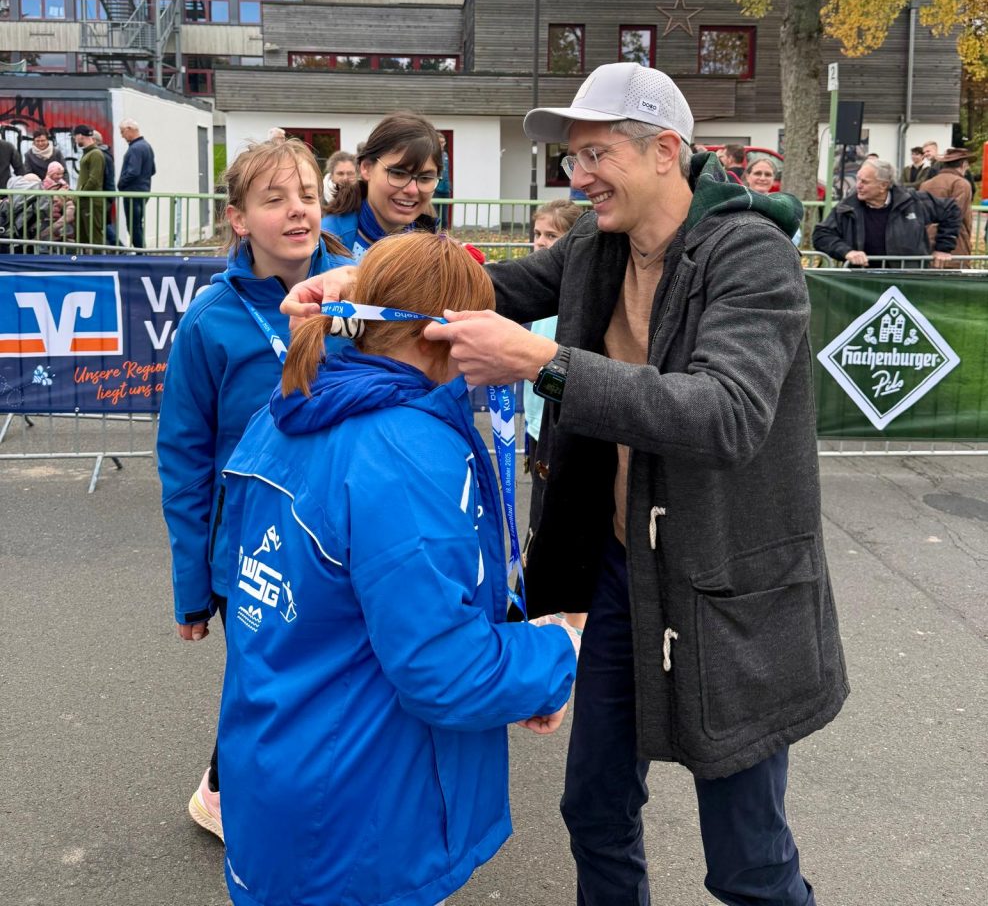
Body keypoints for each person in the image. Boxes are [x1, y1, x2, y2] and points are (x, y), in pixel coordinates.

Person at [286, 62, 850, 906]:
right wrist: (361, 284)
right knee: (593, 809)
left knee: (749, 860)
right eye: (573, 158)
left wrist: (546, 366)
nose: (575, 177)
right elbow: (493, 290)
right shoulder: (596, 247)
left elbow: (726, 414)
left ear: (665, 150)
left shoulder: (753, 258)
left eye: (594, 154)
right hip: (625, 578)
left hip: (729, 595)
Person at [218, 231, 577, 906]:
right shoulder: (405, 450)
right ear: (450, 333)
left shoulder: (292, 404)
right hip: (362, 804)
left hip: (272, 757)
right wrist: (556, 653)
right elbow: (446, 672)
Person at [157, 138, 353, 843]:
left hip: (344, 540)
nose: (297, 210)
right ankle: (227, 797)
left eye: (307, 194)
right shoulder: (212, 319)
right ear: (239, 219)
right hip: (254, 554)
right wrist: (191, 586)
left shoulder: (363, 293)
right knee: (264, 691)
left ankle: (323, 810)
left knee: (337, 682)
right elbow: (183, 458)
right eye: (274, 200)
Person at [522, 199, 585, 635]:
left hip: (570, 424)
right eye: (538, 234)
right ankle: (538, 610)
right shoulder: (531, 289)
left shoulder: (578, 295)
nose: (541, 243)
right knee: (536, 520)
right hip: (533, 423)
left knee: (572, 527)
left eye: (552, 237)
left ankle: (578, 625)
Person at [322, 111, 442, 260]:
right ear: (366, 168)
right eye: (398, 173)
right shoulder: (325, 245)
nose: (412, 190)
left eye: (425, 178)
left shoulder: (431, 243)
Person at [813, 157, 961, 267]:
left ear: (883, 185)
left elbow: (951, 209)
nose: (858, 186)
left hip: (909, 280)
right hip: (862, 283)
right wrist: (847, 252)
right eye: (858, 180)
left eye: (865, 182)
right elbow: (821, 235)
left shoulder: (912, 201)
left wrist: (943, 248)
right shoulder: (847, 207)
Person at [920, 147, 973, 258]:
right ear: (963, 164)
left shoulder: (926, 184)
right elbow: (956, 215)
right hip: (953, 246)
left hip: (925, 242)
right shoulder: (961, 184)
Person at [117, 118, 156, 248]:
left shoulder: (135, 148)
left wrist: (121, 184)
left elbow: (133, 171)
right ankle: (142, 252)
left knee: (133, 226)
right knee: (137, 224)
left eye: (122, 131)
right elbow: (152, 170)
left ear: (129, 130)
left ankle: (141, 253)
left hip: (133, 192)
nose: (122, 135)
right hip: (143, 190)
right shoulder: (146, 146)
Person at [72, 124, 106, 246]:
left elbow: (94, 180)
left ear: (80, 136)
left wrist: (80, 194)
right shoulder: (89, 153)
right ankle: (83, 263)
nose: (75, 140)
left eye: (75, 137)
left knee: (94, 237)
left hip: (91, 202)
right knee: (82, 238)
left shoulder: (95, 154)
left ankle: (99, 264)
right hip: (85, 201)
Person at [435, 131, 451, 228]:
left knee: (444, 218)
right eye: (440, 142)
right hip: (435, 189)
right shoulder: (431, 154)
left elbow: (447, 171)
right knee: (434, 217)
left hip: (446, 190)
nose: (442, 144)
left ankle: (444, 239)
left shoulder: (445, 154)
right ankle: (433, 239)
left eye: (443, 142)